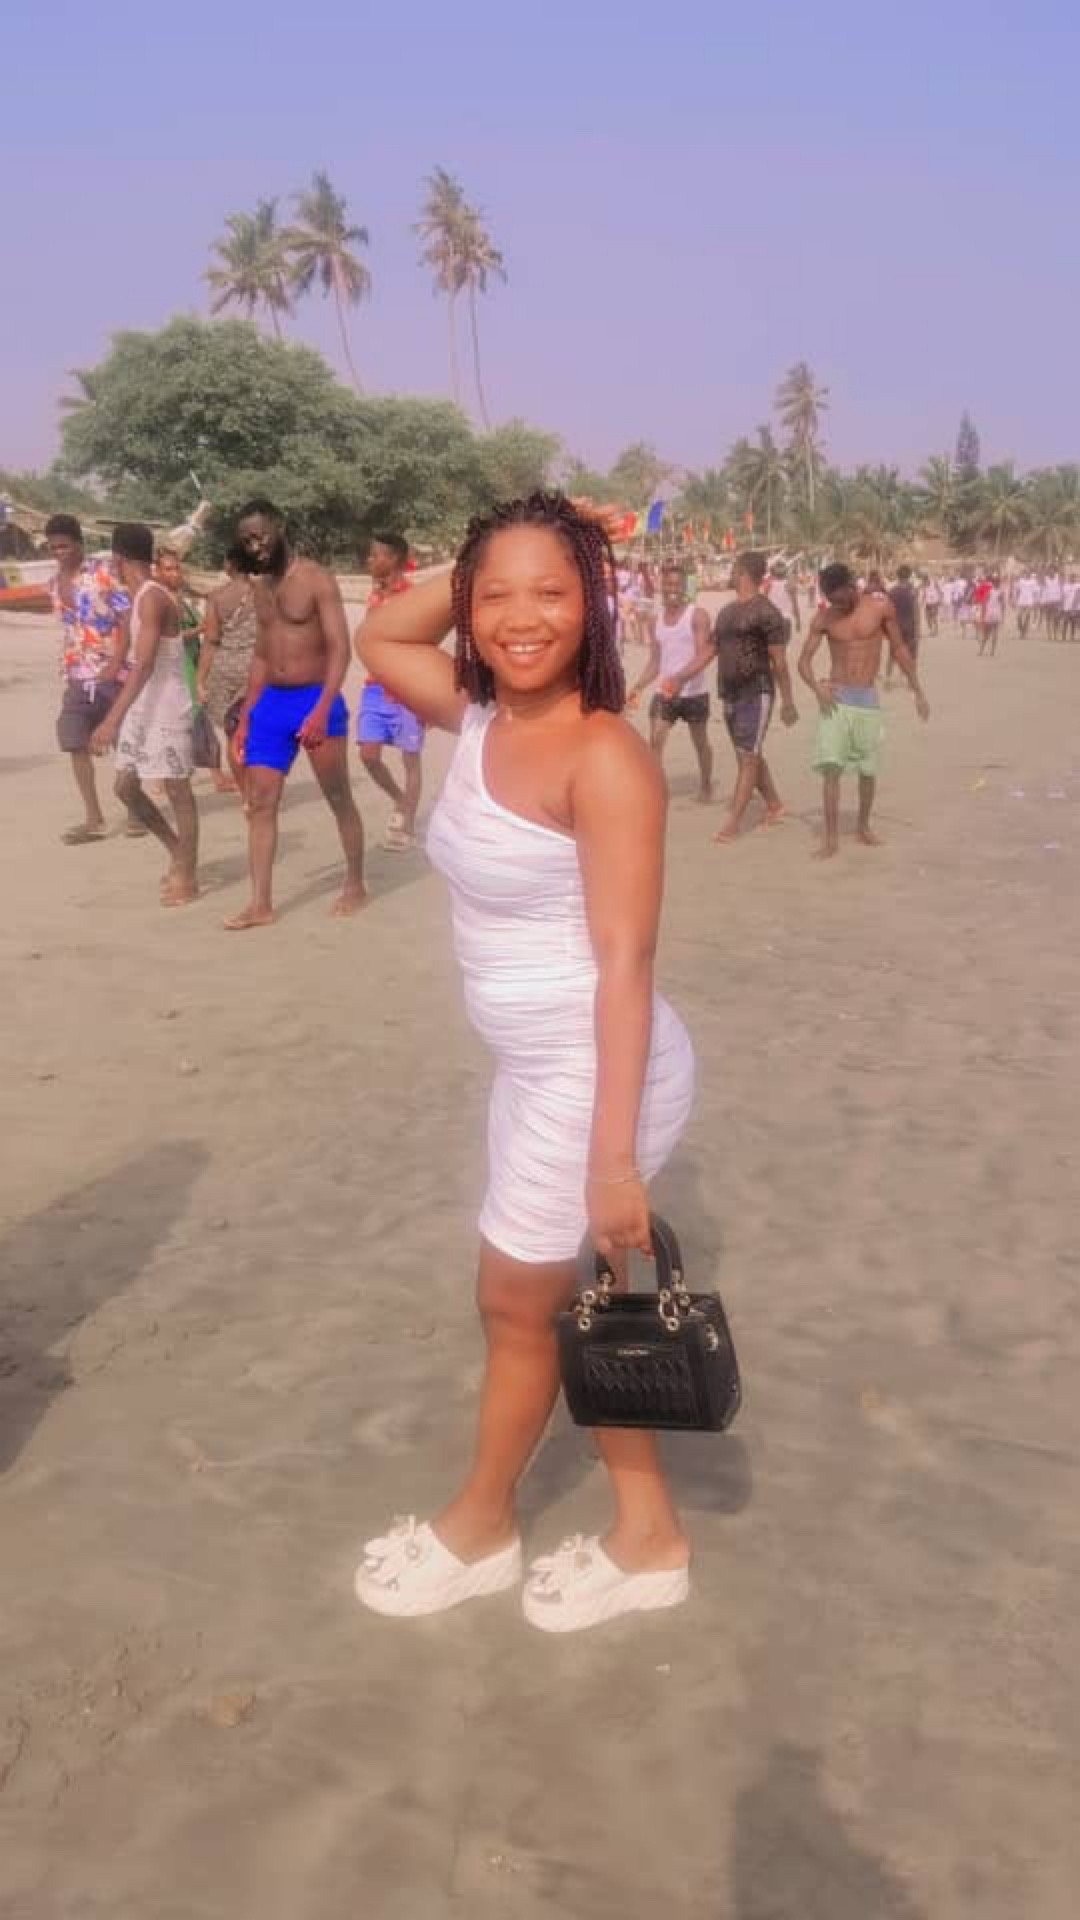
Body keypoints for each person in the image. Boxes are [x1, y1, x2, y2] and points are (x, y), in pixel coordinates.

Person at [352, 493, 696, 1633]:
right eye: (494, 596)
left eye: (552, 590)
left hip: (595, 1072)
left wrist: (614, 1163)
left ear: (592, 602)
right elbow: (380, 634)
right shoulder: (482, 714)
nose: (520, 617)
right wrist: (493, 552)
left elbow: (626, 965)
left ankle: (485, 1525)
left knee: (516, 1301)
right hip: (533, 1067)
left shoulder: (605, 754)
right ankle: (641, 1534)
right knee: (561, 1304)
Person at [227, 499, 367, 929]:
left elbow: (340, 649)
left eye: (261, 536)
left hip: (315, 698)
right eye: (247, 541)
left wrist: (322, 709)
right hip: (271, 702)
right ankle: (260, 904)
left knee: (338, 796)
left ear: (280, 527)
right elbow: (261, 655)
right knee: (260, 802)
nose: (255, 546)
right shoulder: (260, 587)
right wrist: (246, 717)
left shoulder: (316, 579)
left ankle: (355, 883)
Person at [89, 523, 199, 905]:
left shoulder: (153, 597)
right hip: (143, 703)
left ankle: (188, 875)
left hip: (166, 705)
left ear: (117, 558)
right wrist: (110, 672)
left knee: (178, 790)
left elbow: (146, 664)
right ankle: (178, 851)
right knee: (125, 787)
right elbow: (129, 650)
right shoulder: (136, 598)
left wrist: (111, 720)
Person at [799, 562, 929, 859]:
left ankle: (863, 826)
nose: (838, 605)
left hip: (867, 700)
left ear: (851, 585)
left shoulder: (880, 608)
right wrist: (816, 688)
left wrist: (917, 690)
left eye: (841, 598)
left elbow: (898, 648)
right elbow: (804, 661)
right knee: (831, 770)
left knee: (868, 771)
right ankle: (831, 839)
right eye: (832, 600)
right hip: (836, 700)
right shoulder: (825, 618)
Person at [668, 551, 798, 843]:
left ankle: (733, 823)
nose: (730, 573)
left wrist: (788, 702)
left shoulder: (767, 613)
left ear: (742, 572)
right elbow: (710, 650)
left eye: (734, 569)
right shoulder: (727, 612)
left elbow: (780, 662)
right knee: (747, 752)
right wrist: (681, 677)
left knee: (748, 757)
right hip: (729, 693)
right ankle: (774, 804)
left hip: (757, 691)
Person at [45, 512, 142, 844]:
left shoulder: (103, 574)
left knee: (123, 742)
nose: (59, 553)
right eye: (54, 547)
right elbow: (70, 628)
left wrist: (117, 661)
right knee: (74, 741)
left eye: (64, 546)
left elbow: (127, 617)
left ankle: (136, 813)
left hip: (114, 671)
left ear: (79, 544)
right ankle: (94, 818)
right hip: (77, 673)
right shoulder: (52, 584)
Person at [355, 533, 424, 850]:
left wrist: (422, 694)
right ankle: (401, 800)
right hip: (375, 687)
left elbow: (422, 642)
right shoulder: (374, 596)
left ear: (393, 559)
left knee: (411, 758)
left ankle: (406, 824)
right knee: (368, 755)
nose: (369, 561)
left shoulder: (413, 597)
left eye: (374, 555)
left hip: (407, 689)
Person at [626, 563, 714, 801]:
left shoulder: (697, 616)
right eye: (667, 584)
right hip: (665, 692)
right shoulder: (655, 621)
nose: (671, 589)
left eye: (676, 584)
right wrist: (637, 687)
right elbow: (655, 661)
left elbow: (702, 657)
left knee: (700, 742)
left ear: (684, 587)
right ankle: (657, 790)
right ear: (661, 586)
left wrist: (679, 678)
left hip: (694, 692)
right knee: (656, 739)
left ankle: (706, 784)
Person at [196, 545, 258, 793]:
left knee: (234, 733)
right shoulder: (265, 594)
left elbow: (211, 640)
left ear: (229, 565)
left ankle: (245, 794)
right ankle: (259, 786)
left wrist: (200, 680)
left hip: (224, 669)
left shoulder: (216, 597)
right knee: (256, 731)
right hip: (257, 669)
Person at [885, 564, 920, 686]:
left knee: (893, 654)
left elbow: (888, 610)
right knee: (912, 654)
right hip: (909, 626)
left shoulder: (892, 591)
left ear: (897, 575)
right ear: (909, 575)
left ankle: (888, 678)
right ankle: (911, 681)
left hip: (896, 626)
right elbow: (916, 610)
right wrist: (918, 628)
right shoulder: (912, 591)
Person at [767, 562, 800, 637]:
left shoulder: (769, 585)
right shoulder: (789, 586)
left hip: (771, 619)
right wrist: (798, 620)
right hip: (785, 619)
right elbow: (795, 604)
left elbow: (764, 603)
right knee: (784, 643)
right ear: (785, 573)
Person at [978, 572, 1005, 657]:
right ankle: (992, 651)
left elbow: (984, 603)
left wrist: (982, 615)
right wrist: (1003, 616)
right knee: (995, 633)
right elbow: (1003, 605)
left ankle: (981, 650)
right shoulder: (1001, 592)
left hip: (989, 612)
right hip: (997, 613)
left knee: (986, 634)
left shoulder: (990, 591)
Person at [1014, 569, 1038, 637]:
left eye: (1028, 573)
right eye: (1026, 573)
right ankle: (1021, 628)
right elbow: (1018, 590)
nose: (1027, 574)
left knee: (1027, 616)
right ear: (1024, 573)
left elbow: (1035, 592)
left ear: (1030, 573)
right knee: (1018, 616)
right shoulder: (1021, 581)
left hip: (1029, 600)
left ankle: (1024, 631)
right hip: (1021, 600)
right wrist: (1016, 599)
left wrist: (1035, 601)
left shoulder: (1033, 581)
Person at [1041, 568, 1064, 640]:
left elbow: (1062, 587)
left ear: (1055, 571)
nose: (1051, 572)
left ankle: (1055, 634)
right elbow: (1041, 581)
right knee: (1048, 618)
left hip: (1056, 601)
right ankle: (1049, 634)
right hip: (1048, 601)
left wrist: (1061, 599)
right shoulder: (1046, 578)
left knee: (1056, 618)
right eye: (1050, 570)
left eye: (1052, 570)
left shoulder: (1058, 577)